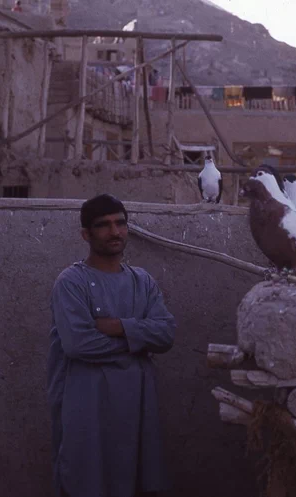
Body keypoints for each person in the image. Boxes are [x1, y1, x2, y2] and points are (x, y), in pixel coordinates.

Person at [46, 194, 176, 497]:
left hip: (136, 408)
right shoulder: (71, 283)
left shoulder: (142, 282)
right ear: (86, 235)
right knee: (85, 479)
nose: (114, 232)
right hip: (87, 407)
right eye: (103, 225)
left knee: (136, 480)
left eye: (120, 223)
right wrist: (139, 341)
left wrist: (120, 327)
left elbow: (166, 334)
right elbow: (79, 344)